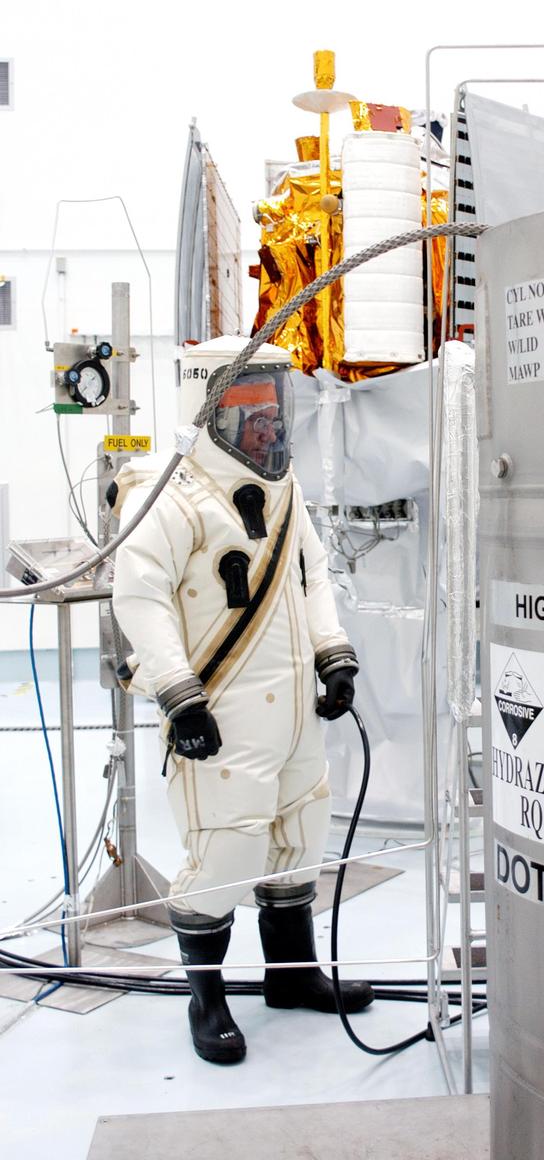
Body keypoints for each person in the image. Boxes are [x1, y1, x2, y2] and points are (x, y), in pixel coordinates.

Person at [111, 335, 372, 1065]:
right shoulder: (169, 494)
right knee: (227, 851)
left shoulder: (283, 489)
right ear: (211, 410)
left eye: (273, 405)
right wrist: (179, 696)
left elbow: (311, 575)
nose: (268, 423)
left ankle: (291, 976)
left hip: (292, 710)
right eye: (249, 409)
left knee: (299, 838)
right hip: (221, 711)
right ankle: (208, 1001)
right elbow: (140, 599)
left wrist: (332, 655)